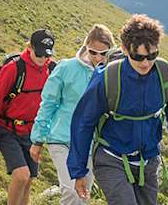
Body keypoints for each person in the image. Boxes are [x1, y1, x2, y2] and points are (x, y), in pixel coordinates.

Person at [68, 14, 168, 205]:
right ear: (124, 49)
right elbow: (83, 122)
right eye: (138, 56)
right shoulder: (107, 78)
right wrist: (78, 170)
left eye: (152, 55)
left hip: (148, 162)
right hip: (110, 159)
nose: (145, 63)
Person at [28, 25, 116, 205]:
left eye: (103, 53)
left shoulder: (111, 74)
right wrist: (37, 140)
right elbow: (48, 104)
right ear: (86, 46)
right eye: (93, 52)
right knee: (72, 191)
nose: (98, 58)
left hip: (91, 145)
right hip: (62, 139)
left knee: (83, 195)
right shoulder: (66, 68)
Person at [0, 29, 56, 205]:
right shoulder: (13, 69)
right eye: (38, 54)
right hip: (7, 128)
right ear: (30, 47)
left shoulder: (52, 69)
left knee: (29, 178)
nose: (42, 60)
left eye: (46, 55)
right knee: (21, 175)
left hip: (32, 132)